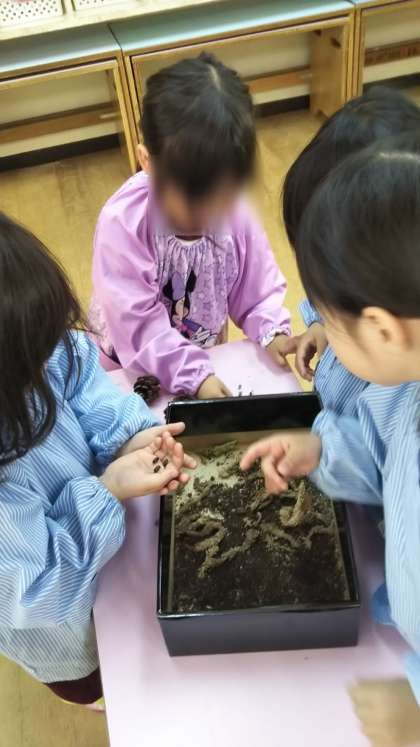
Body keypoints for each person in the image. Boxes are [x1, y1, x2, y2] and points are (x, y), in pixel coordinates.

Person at [241, 134, 420, 746]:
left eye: (330, 323)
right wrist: (321, 451)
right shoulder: (405, 391)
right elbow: (383, 455)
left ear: (382, 329)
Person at [0, 212, 193, 708]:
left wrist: (132, 438)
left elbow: (84, 381)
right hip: (66, 629)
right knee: (105, 685)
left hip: (114, 543)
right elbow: (41, 589)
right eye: (29, 362)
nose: (46, 361)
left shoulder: (37, 345)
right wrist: (106, 490)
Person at [90, 53, 291, 398]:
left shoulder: (236, 213)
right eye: (193, 198)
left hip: (204, 363)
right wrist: (193, 375)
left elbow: (257, 290)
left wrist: (274, 332)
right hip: (130, 370)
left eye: (222, 195)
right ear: (147, 161)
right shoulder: (124, 223)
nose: (209, 213)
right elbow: (137, 324)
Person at [283, 86, 420, 415]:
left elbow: (365, 435)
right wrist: (320, 323)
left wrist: (320, 441)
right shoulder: (373, 301)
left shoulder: (397, 388)